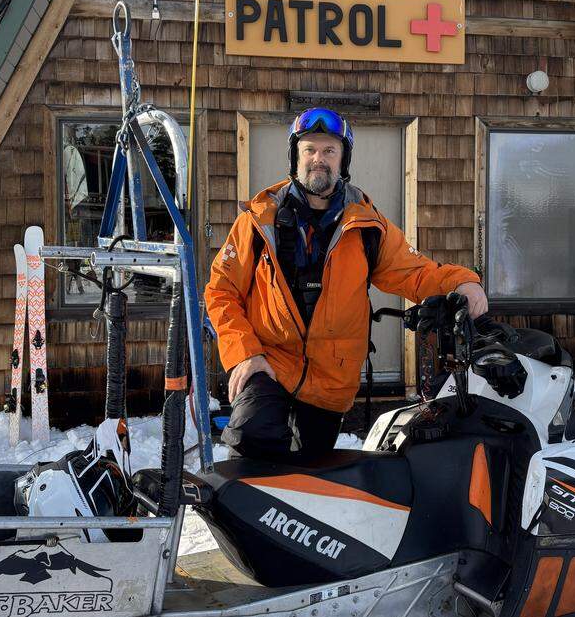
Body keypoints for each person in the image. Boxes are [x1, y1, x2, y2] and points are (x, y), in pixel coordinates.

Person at [204, 107, 488, 460]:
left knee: (314, 478)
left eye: (329, 151)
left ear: (343, 159)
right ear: (295, 157)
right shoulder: (259, 220)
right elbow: (221, 291)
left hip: (330, 381)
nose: (317, 159)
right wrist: (246, 354)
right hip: (269, 364)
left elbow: (414, 272)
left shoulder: (367, 225)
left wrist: (462, 282)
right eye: (309, 150)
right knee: (251, 444)